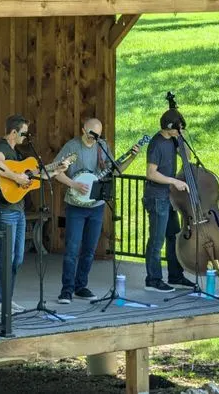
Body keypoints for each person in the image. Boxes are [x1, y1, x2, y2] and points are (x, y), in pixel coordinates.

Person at [0, 115, 69, 313]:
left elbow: (31, 179)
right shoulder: (2, 147)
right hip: (3, 210)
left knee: (17, 258)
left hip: (18, 209)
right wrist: (16, 176)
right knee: (5, 257)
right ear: (14, 132)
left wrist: (56, 171)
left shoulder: (17, 153)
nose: (26, 136)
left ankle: (6, 299)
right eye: (24, 133)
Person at [53, 118, 139, 304]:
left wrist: (132, 156)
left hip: (96, 206)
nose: (94, 137)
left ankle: (80, 286)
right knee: (72, 249)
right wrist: (74, 184)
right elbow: (55, 171)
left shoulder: (102, 146)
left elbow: (113, 171)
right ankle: (66, 290)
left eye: (98, 135)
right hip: (76, 206)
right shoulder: (72, 146)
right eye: (92, 133)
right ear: (83, 129)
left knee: (90, 249)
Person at [143, 109, 196, 293]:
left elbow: (187, 158)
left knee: (173, 237)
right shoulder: (157, 144)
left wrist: (182, 140)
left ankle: (175, 275)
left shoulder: (173, 140)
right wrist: (174, 181)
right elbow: (151, 173)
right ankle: (153, 279)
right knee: (157, 241)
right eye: (177, 129)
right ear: (168, 127)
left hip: (169, 197)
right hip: (157, 197)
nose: (178, 132)